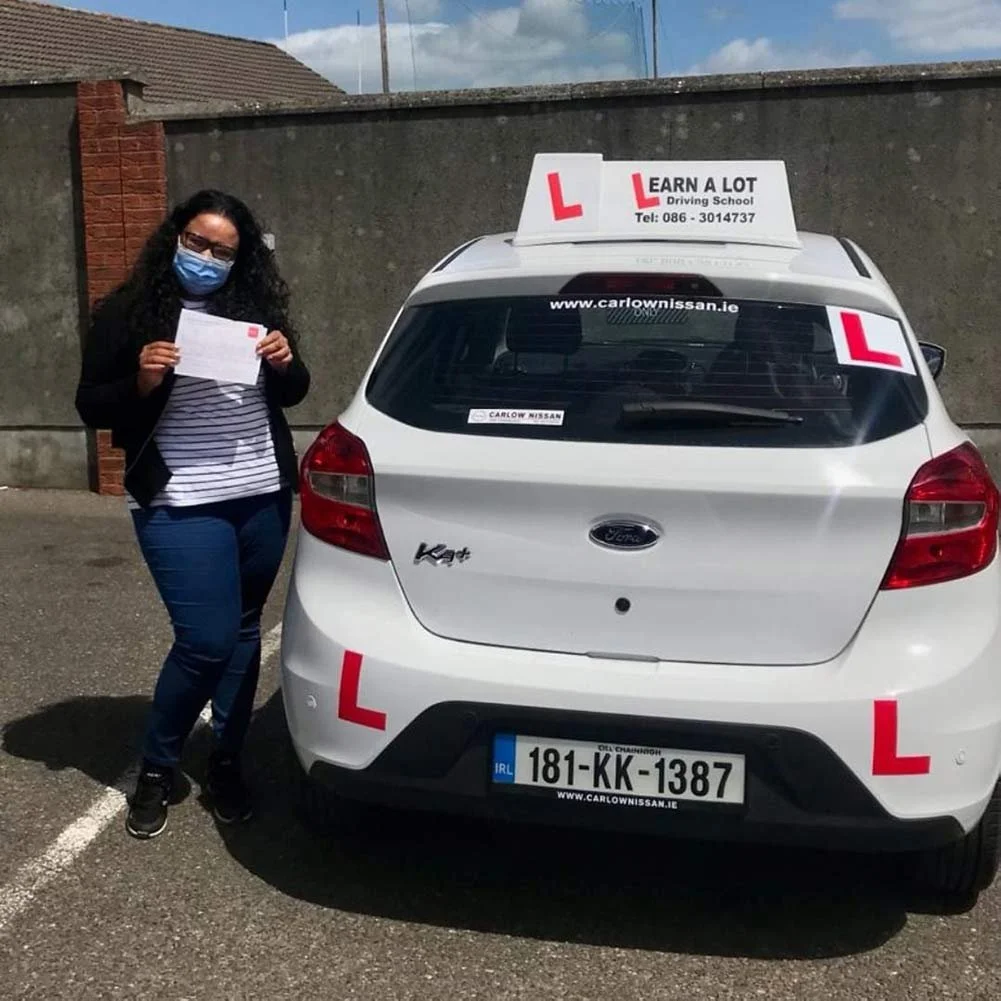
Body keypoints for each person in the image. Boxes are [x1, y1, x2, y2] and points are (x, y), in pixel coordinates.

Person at [75, 190, 310, 839]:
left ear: (241, 260)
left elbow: (294, 392)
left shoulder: (253, 310)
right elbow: (90, 404)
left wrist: (287, 365)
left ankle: (227, 760)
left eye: (223, 251)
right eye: (197, 242)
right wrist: (141, 383)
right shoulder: (128, 313)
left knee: (242, 631)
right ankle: (157, 765)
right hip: (179, 499)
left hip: (260, 493)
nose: (206, 257)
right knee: (205, 639)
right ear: (175, 236)